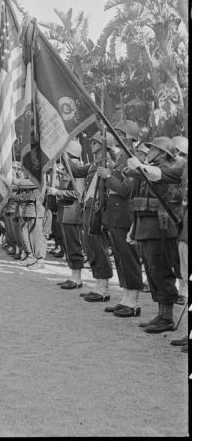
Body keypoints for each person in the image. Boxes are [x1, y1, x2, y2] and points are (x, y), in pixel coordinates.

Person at [125, 137, 182, 333]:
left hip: (161, 229)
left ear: (163, 153)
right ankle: (161, 314)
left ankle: (167, 317)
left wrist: (139, 167)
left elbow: (157, 176)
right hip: (147, 227)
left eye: (153, 148)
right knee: (152, 272)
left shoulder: (165, 170)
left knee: (162, 271)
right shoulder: (148, 169)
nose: (148, 151)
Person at [97, 121, 144, 317]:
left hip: (125, 215)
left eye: (119, 135)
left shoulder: (131, 159)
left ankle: (133, 302)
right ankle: (125, 298)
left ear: (128, 137)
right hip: (115, 215)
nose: (115, 138)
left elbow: (127, 190)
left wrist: (108, 177)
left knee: (129, 258)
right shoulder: (121, 158)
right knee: (121, 258)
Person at [71, 131, 115, 302]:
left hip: (98, 209)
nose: (91, 144)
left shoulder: (108, 164)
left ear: (104, 145)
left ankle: (103, 288)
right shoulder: (93, 164)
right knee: (90, 247)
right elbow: (75, 171)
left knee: (98, 247)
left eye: (95, 142)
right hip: (88, 207)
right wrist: (63, 152)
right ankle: (98, 285)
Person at [46, 140, 85, 289]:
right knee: (68, 246)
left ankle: (77, 278)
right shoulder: (68, 168)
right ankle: (73, 275)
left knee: (73, 246)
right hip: (65, 211)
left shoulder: (76, 169)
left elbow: (78, 193)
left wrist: (58, 192)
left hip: (72, 212)